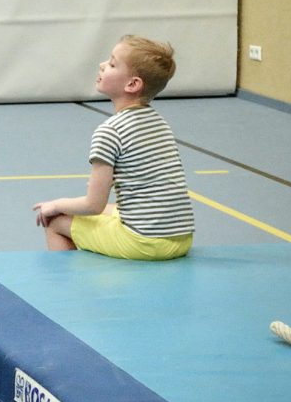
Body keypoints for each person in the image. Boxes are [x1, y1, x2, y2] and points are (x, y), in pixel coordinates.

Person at [33, 36, 194, 259]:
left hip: (144, 243)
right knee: (112, 210)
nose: (102, 65)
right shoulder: (160, 123)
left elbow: (93, 205)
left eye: (111, 64)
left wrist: (55, 205)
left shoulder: (110, 131)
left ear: (132, 84)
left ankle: (66, 289)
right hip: (181, 238)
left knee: (55, 220)